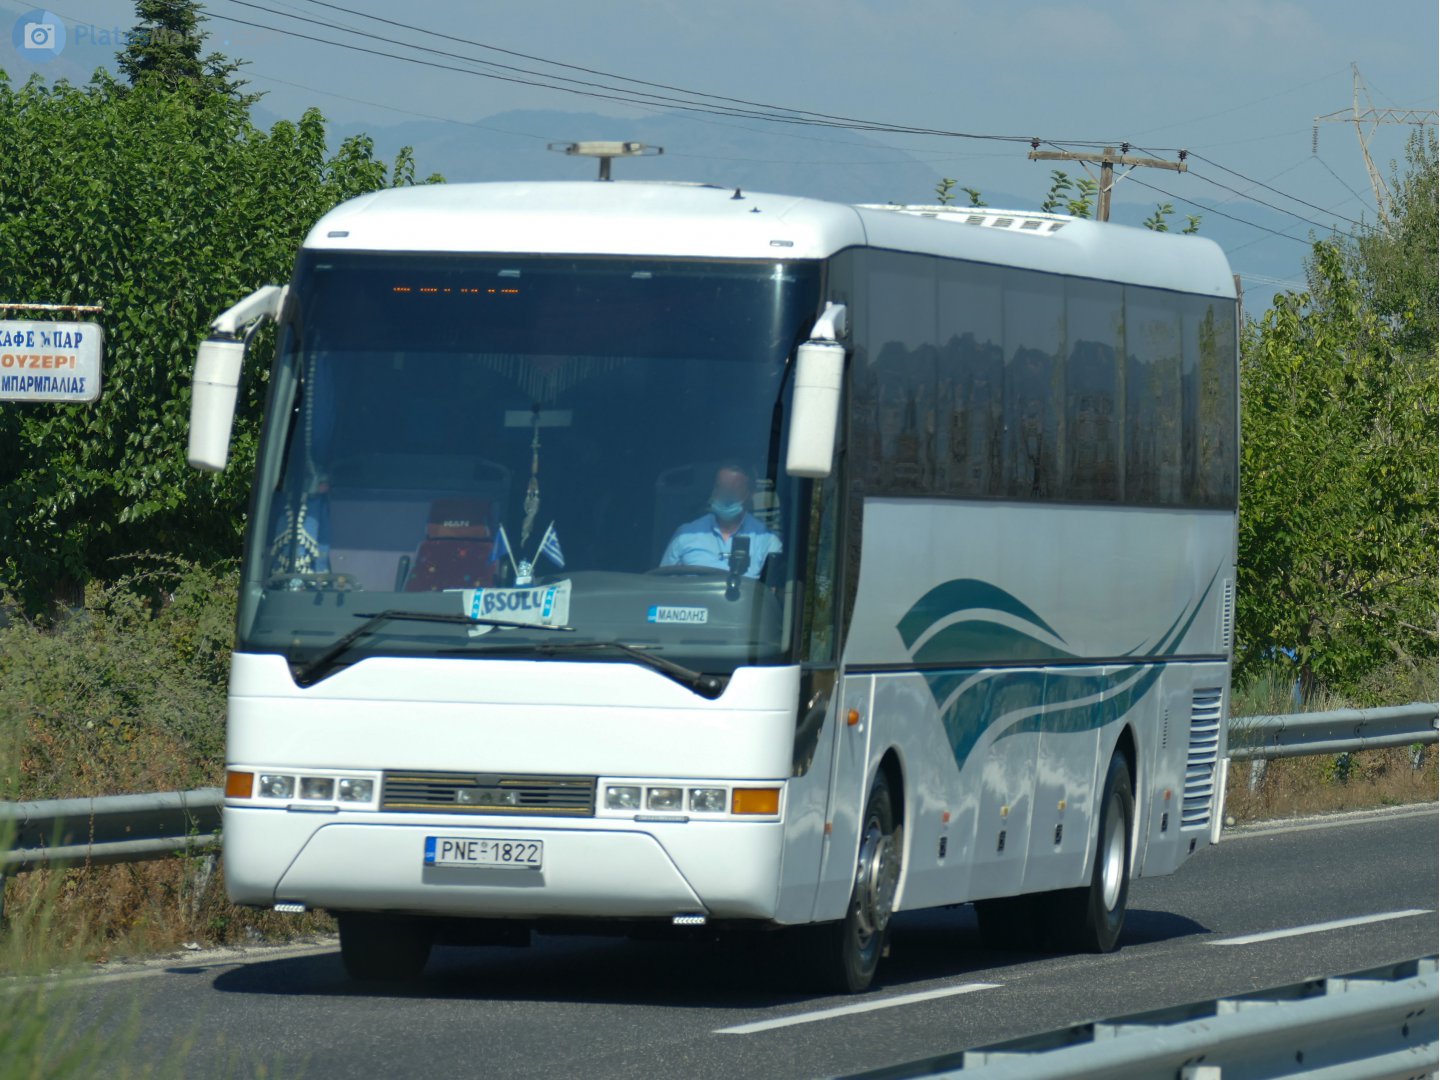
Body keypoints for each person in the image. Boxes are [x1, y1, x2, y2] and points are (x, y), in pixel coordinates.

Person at [660, 463, 781, 578]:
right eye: (721, 488)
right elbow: (662, 585)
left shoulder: (767, 542)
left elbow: (771, 590)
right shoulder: (685, 535)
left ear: (750, 493)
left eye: (732, 491)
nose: (725, 495)